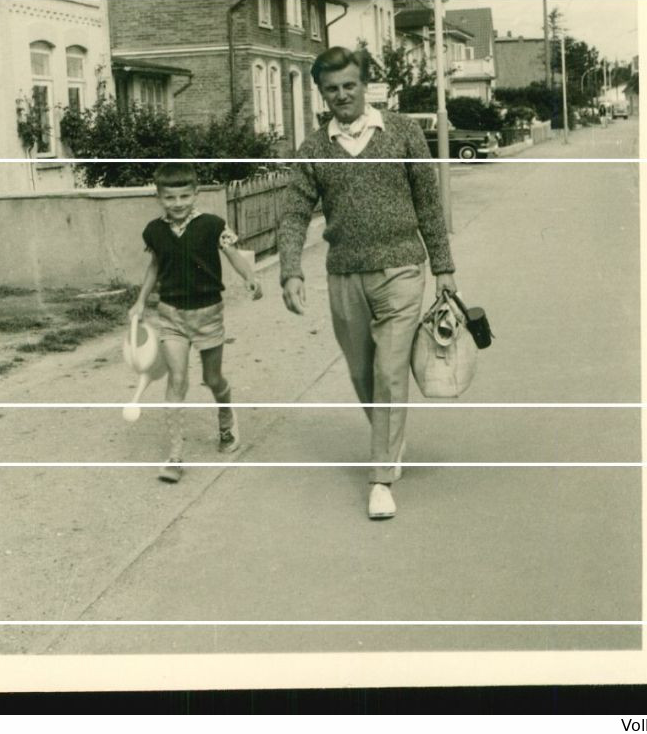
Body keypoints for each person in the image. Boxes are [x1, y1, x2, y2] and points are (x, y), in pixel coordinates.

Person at [276, 46, 457, 521]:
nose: (342, 96)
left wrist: (444, 266)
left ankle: (380, 480)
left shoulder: (403, 132)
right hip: (344, 274)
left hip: (401, 269)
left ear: (366, 85)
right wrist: (290, 269)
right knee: (362, 373)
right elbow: (294, 211)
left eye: (350, 86)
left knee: (390, 372)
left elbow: (428, 203)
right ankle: (390, 437)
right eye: (332, 89)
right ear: (321, 93)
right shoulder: (313, 149)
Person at [129, 162, 262, 484]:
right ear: (159, 196)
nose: (177, 204)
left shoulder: (213, 224)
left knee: (212, 378)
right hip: (171, 313)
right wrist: (140, 301)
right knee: (176, 380)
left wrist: (250, 277)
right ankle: (175, 456)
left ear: (195, 194)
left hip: (208, 312)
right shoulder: (154, 231)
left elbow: (232, 253)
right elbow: (155, 266)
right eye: (170, 198)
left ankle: (226, 419)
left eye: (184, 196)